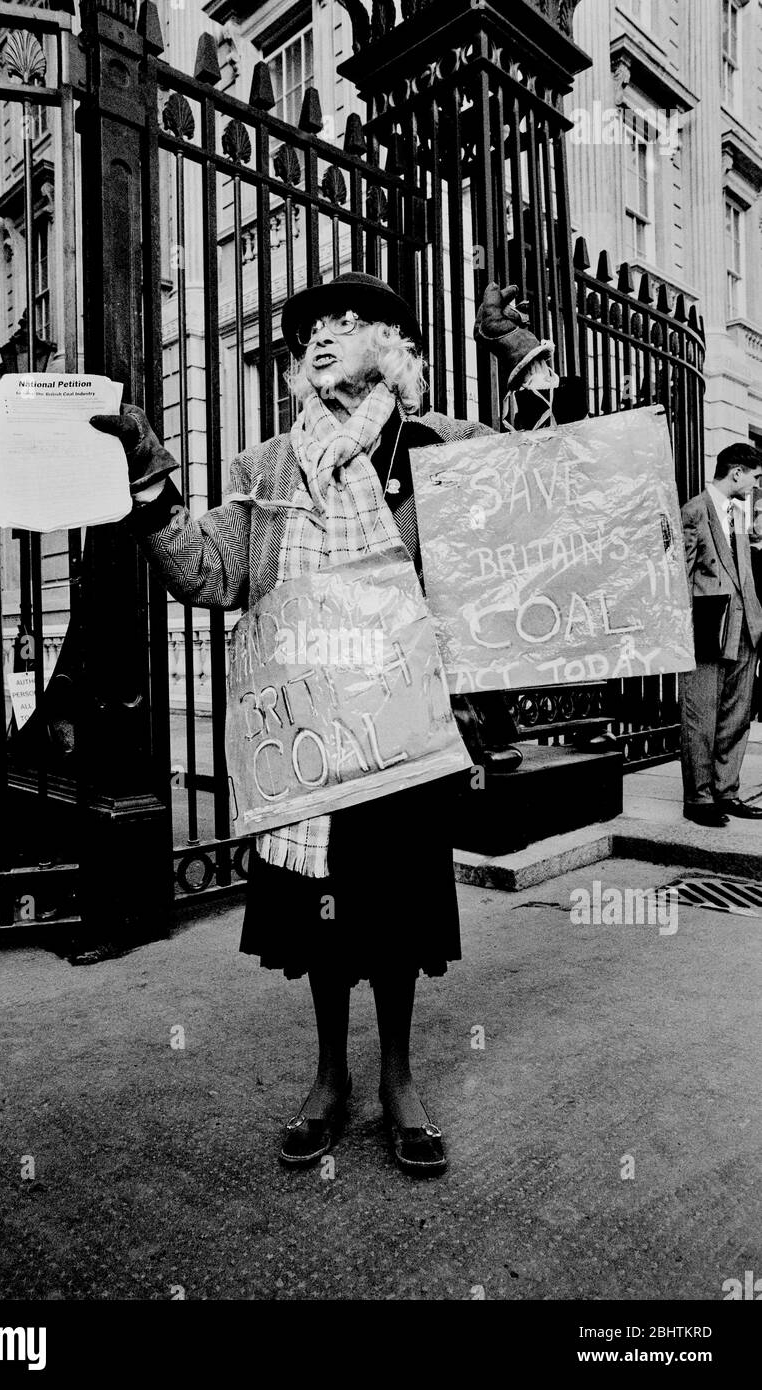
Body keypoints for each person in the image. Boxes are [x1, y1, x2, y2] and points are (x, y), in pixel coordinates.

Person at [90, 272, 555, 1175]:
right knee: (325, 920)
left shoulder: (436, 445)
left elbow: (538, 491)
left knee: (392, 917)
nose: (323, 335)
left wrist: (521, 360)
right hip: (305, 747)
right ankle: (331, 1078)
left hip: (401, 739)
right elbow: (210, 575)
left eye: (350, 321)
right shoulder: (269, 468)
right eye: (309, 328)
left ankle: (398, 1081)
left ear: (396, 349)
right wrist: (149, 476)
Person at [680, 442, 762, 826]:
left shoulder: (739, 512)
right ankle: (698, 799)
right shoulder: (694, 511)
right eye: (754, 477)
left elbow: (743, 572)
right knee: (702, 714)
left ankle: (725, 792)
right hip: (711, 627)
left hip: (745, 627)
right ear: (736, 472)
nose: (755, 485)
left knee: (738, 713)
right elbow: (680, 576)